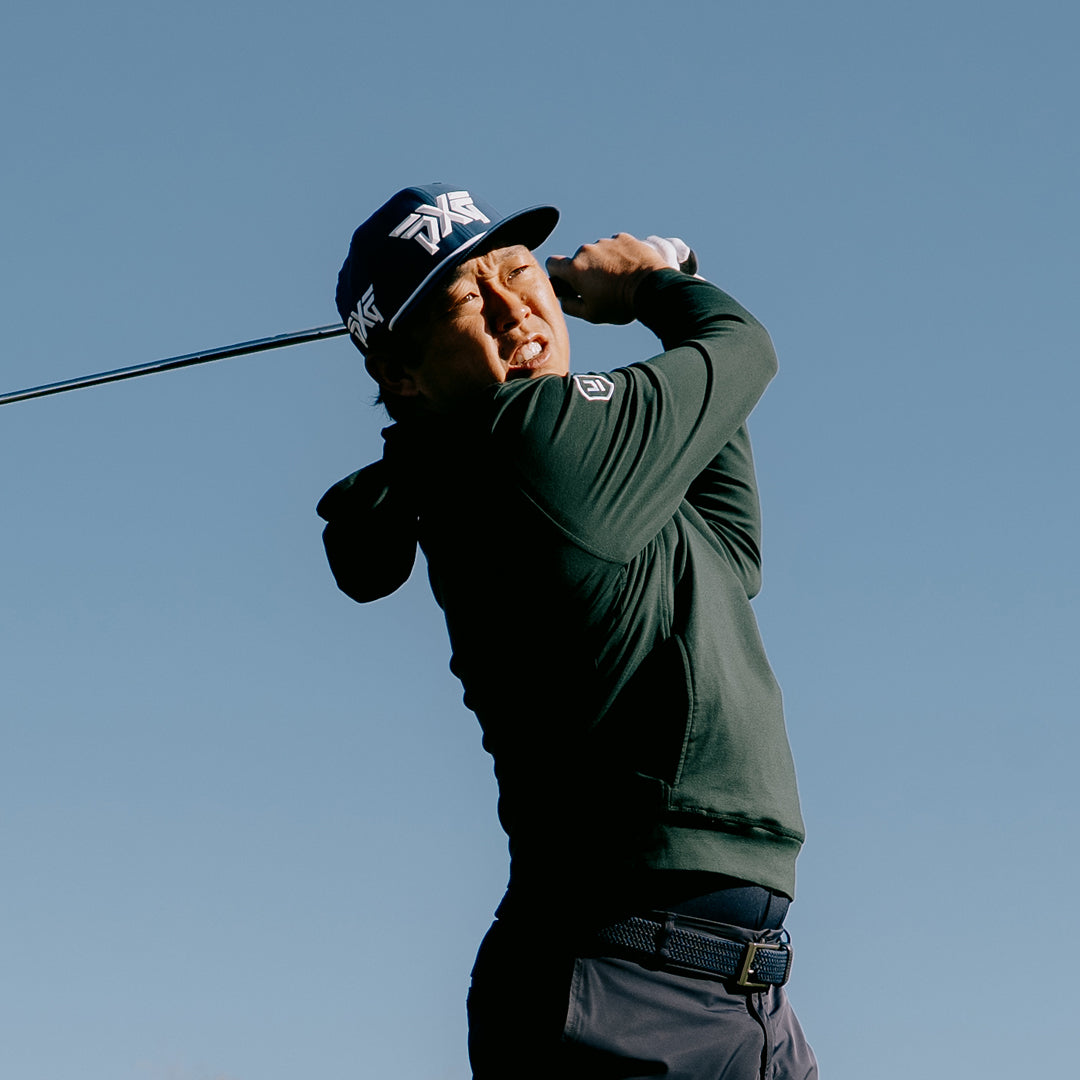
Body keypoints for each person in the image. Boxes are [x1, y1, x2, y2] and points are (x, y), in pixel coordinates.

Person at [318, 183, 817, 1079]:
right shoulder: (534, 439)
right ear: (400, 373)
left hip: (743, 1000)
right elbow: (742, 350)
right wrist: (655, 289)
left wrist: (677, 281)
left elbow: (732, 555)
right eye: (471, 301)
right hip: (617, 991)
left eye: (518, 273)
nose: (517, 312)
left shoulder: (569, 473)